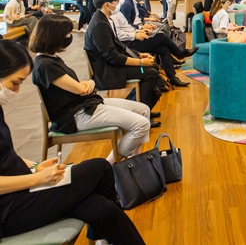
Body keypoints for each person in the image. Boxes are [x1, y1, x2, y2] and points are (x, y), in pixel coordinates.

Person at [0, 40, 147, 244]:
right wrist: (37, 179)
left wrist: (35, 166)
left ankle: (101, 238)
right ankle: (101, 236)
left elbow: (6, 155)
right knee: (101, 169)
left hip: (23, 189)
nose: (16, 91)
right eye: (14, 83)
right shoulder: (47, 65)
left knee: (103, 208)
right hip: (9, 208)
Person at [30, 14, 150, 163]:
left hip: (87, 104)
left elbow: (79, 85)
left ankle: (136, 160)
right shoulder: (45, 66)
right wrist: (88, 84)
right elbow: (80, 89)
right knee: (141, 124)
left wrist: (87, 84)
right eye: (66, 33)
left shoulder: (51, 59)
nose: (69, 36)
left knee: (143, 110)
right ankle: (110, 164)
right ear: (55, 36)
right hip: (76, 115)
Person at [83, 0, 162, 126]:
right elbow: (112, 56)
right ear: (107, 4)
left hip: (112, 65)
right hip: (108, 71)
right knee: (150, 73)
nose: (118, 3)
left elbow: (118, 45)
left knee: (153, 67)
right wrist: (140, 63)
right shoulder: (99, 25)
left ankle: (144, 110)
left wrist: (138, 55)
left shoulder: (104, 19)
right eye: (116, 1)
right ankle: (142, 115)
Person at [111, 0, 194, 88]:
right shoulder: (120, 9)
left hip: (134, 35)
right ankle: (179, 53)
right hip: (129, 43)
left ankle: (173, 78)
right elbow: (118, 34)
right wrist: (135, 34)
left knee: (163, 49)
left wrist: (140, 29)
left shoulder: (118, 11)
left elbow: (127, 25)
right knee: (162, 36)